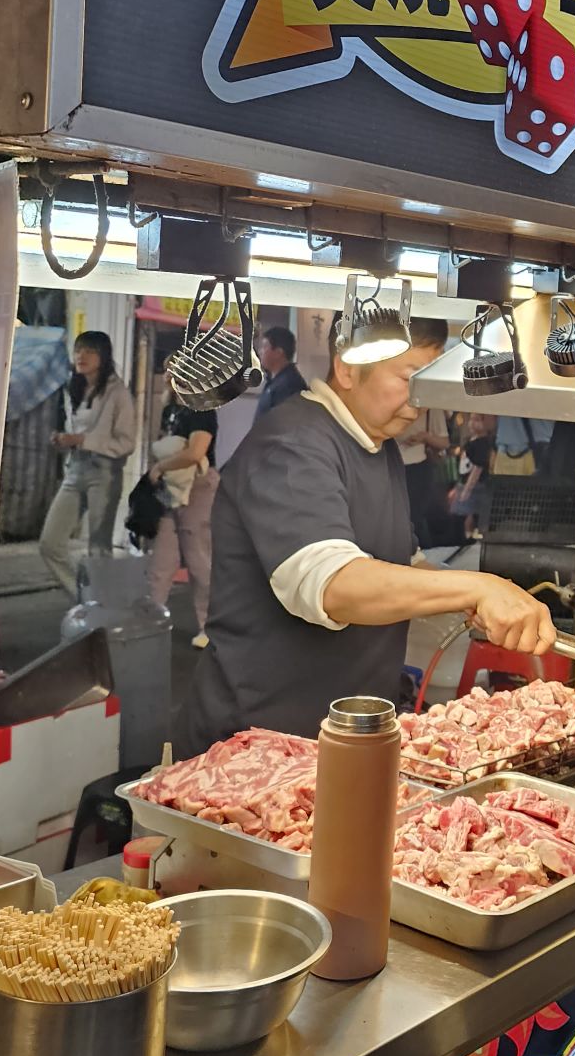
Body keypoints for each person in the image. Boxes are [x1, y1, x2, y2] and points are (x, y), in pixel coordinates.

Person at [182, 318, 554, 751]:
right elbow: (334, 585)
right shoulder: (292, 445)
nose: (419, 397)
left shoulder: (377, 445)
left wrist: (475, 601)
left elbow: (400, 562)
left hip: (342, 735)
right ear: (346, 368)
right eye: (408, 376)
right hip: (257, 743)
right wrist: (476, 587)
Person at [38, 331, 138, 594]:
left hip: (104, 472)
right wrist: (64, 440)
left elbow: (127, 443)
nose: (81, 356)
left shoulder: (119, 393)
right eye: (78, 350)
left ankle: (101, 609)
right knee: (50, 543)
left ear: (103, 356)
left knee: (99, 547)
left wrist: (82, 439)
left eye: (90, 351)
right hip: (75, 469)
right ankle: (85, 598)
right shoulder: (76, 388)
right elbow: (77, 434)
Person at [148, 365, 219, 649]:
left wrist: (161, 466)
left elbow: (196, 452)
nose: (169, 375)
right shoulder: (170, 409)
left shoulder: (203, 410)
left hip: (199, 488)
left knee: (199, 560)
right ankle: (153, 620)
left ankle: (211, 626)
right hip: (172, 487)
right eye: (166, 369)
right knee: (161, 558)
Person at [392, 319, 451, 543]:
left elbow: (444, 441)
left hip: (416, 468)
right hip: (396, 463)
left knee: (412, 520)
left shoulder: (429, 402)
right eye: (406, 378)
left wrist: (423, 437)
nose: (413, 410)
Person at [253, 325, 307, 422]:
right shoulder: (274, 381)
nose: (260, 352)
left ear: (278, 352)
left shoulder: (289, 384)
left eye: (265, 347)